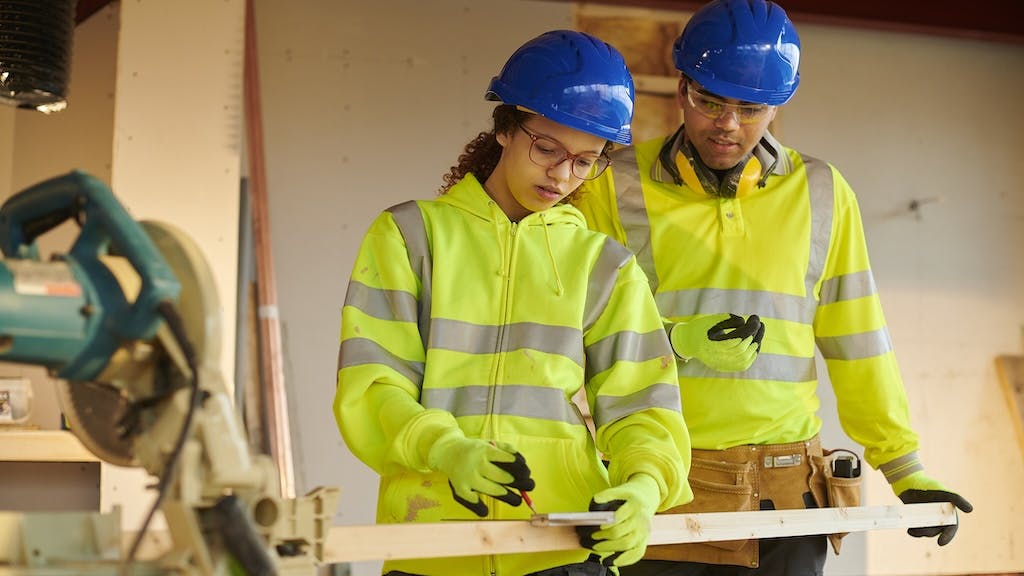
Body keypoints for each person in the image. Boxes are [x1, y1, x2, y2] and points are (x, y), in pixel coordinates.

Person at [572, 1, 973, 575]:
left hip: (787, 493)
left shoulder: (824, 193)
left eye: (751, 107)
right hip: (659, 483)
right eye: (710, 101)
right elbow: (573, 334)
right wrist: (676, 341)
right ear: (682, 87)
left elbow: (859, 341)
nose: (728, 124)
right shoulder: (611, 188)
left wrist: (904, 467)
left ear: (779, 105)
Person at [334, 30, 695, 576]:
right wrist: (445, 450)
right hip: (432, 547)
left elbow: (642, 405)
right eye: (547, 148)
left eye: (585, 160)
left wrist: (645, 487)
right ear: (505, 127)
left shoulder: (604, 265)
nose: (562, 174)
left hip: (563, 547)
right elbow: (372, 383)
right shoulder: (409, 237)